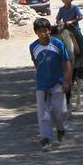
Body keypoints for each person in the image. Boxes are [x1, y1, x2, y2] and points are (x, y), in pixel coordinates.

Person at [29, 17, 72, 151]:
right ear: (36, 32)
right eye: (40, 31)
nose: (43, 34)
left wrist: (66, 81)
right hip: (42, 85)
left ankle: (61, 129)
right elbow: (36, 64)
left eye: (46, 31)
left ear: (49, 31)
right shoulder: (33, 47)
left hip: (58, 83)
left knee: (61, 111)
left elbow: (66, 63)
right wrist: (42, 78)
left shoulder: (58, 44)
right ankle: (46, 138)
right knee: (43, 114)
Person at [55, 0, 83, 72]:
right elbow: (57, 19)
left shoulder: (75, 8)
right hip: (64, 28)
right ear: (62, 0)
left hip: (74, 28)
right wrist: (60, 23)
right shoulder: (61, 9)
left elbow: (80, 16)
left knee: (82, 40)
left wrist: (71, 21)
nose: (66, 0)